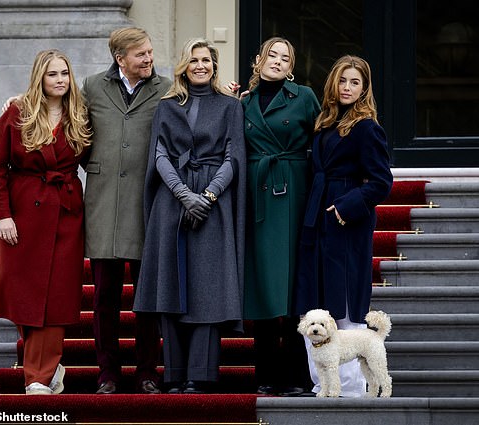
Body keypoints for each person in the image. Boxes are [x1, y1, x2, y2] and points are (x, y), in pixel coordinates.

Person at [133, 38, 246, 394]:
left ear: (214, 66)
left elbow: (233, 156)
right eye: (193, 60)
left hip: (215, 205)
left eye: (206, 60)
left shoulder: (230, 106)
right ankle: (174, 374)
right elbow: (160, 156)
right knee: (172, 284)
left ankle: (200, 375)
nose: (200, 65)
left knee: (208, 289)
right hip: (172, 203)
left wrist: (209, 195)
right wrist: (184, 195)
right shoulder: (167, 107)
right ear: (184, 66)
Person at [0, 49, 93, 395]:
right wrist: (2, 214)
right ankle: (43, 364)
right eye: (53, 74)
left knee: (56, 298)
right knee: (24, 296)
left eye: (64, 73)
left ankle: (38, 377)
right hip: (23, 215)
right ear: (39, 78)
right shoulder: (17, 113)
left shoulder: (80, 113)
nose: (60, 80)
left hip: (65, 214)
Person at [80, 27, 172, 395]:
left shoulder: (166, 88)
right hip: (103, 203)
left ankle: (147, 371)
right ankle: (108, 374)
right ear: (121, 59)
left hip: (148, 203)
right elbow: (64, 113)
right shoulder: (91, 86)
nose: (149, 59)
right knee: (104, 299)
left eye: (150, 52)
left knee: (146, 299)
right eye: (141, 54)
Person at [296, 55, 393, 397]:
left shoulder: (367, 127)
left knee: (344, 303)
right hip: (317, 218)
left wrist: (346, 206)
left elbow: (382, 181)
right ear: (333, 84)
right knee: (316, 304)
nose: (348, 87)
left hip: (346, 222)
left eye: (355, 82)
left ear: (365, 88)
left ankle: (350, 390)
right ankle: (322, 385)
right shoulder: (324, 122)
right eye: (343, 81)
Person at [230, 37, 321, 397]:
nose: (278, 62)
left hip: (295, 191)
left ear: (291, 66)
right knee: (264, 285)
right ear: (258, 60)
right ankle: (266, 373)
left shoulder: (304, 97)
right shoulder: (243, 102)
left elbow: (324, 140)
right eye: (272, 55)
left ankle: (298, 375)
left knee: (294, 285)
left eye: (286, 58)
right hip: (259, 196)